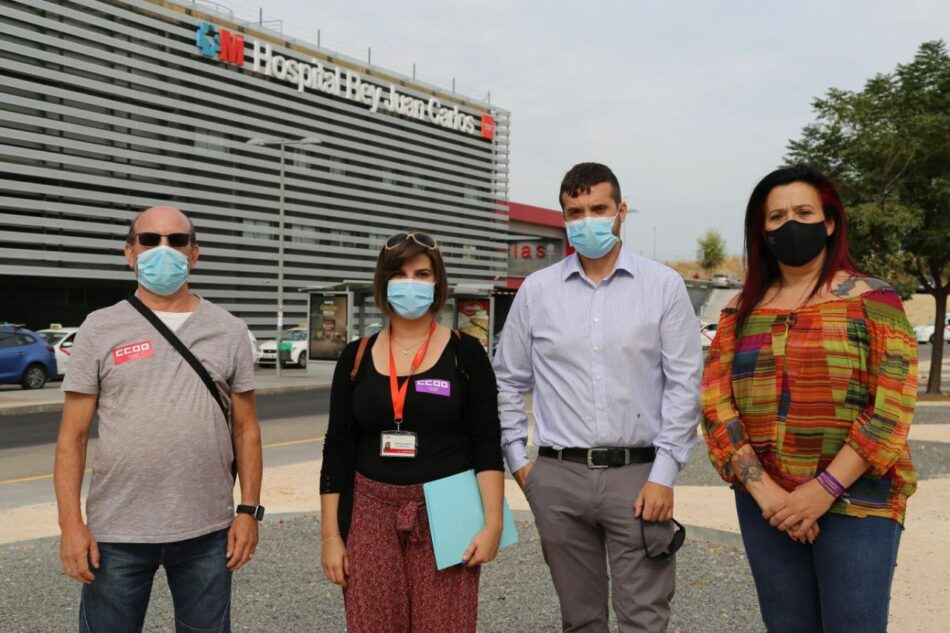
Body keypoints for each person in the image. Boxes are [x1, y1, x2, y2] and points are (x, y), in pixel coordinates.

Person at [700, 164, 917, 633]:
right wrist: (770, 494)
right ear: (761, 230)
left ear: (830, 221)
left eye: (803, 211)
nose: (789, 224)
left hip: (858, 501)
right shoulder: (739, 312)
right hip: (768, 506)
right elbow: (716, 405)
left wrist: (823, 490)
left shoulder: (874, 301)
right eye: (775, 217)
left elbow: (891, 407)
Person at [493, 162, 703, 632]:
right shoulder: (537, 291)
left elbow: (685, 384)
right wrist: (521, 465)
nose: (587, 220)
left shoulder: (663, 286)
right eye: (575, 211)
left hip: (639, 477)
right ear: (563, 217)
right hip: (557, 478)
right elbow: (508, 380)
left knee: (643, 619)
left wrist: (665, 475)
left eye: (598, 208)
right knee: (580, 620)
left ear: (621, 211)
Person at [53, 206, 264, 633]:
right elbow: (71, 438)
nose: (163, 250)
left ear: (194, 253)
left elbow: (246, 428)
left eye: (177, 241)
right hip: (116, 535)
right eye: (149, 240)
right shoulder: (100, 327)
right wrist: (70, 525)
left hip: (208, 532)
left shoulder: (229, 329)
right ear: (130, 253)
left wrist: (248, 511)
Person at [319, 231, 505, 633]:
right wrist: (331, 536)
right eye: (399, 273)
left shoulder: (466, 353)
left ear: (437, 283)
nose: (411, 283)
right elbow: (336, 449)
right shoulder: (355, 356)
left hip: (447, 511)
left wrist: (492, 525)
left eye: (422, 274)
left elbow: (487, 443)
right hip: (370, 512)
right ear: (382, 282)